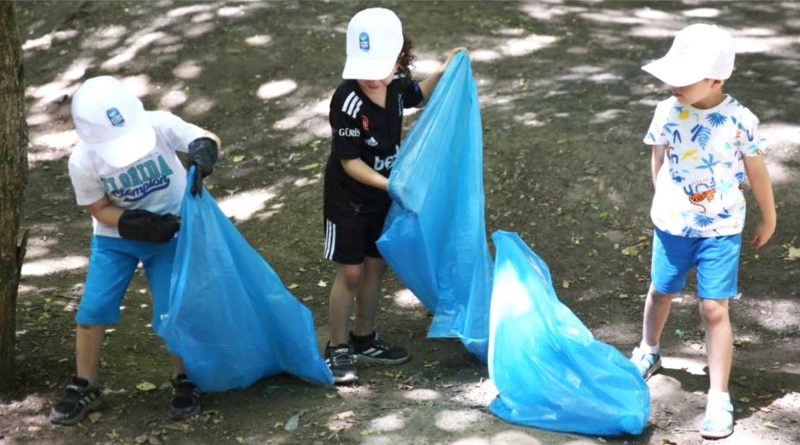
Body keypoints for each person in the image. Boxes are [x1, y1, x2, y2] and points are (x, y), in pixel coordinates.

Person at [50, 75, 221, 425]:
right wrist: (130, 223)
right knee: (93, 309)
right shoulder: (84, 161)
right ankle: (86, 384)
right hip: (116, 238)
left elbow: (205, 137)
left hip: (170, 231)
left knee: (171, 309)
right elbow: (99, 208)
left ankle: (186, 379)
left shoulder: (158, 124)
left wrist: (204, 153)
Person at [632, 24, 776, 439]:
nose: (673, 84)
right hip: (672, 225)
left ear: (716, 79)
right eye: (671, 75)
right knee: (660, 291)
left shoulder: (740, 120)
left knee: (714, 308)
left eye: (685, 77)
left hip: (721, 228)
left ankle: (718, 396)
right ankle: (649, 350)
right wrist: (663, 199)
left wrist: (769, 217)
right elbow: (659, 160)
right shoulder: (666, 111)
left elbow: (757, 172)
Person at [322, 7, 464, 383]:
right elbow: (349, 162)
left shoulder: (397, 85)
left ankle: (365, 336)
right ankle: (336, 347)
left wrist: (446, 69)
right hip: (348, 200)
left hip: (384, 195)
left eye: (379, 68)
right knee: (350, 272)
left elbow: (417, 95)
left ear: (400, 58)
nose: (371, 77)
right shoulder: (347, 100)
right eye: (363, 69)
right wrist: (391, 184)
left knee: (375, 266)